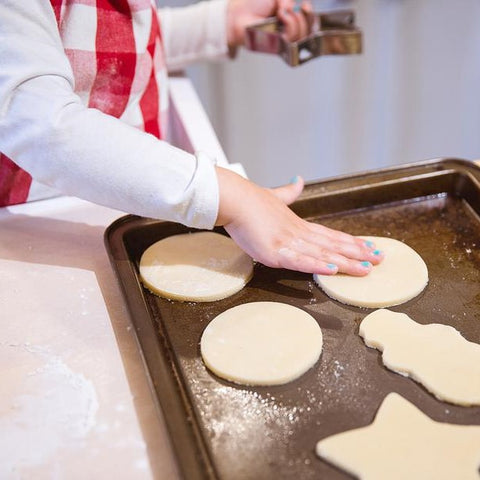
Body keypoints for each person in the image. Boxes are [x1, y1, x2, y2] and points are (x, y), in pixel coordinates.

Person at [0, 0, 383, 275]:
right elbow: (37, 120)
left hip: (117, 201)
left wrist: (220, 23)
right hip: (36, 224)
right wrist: (228, 196)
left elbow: (109, 38)